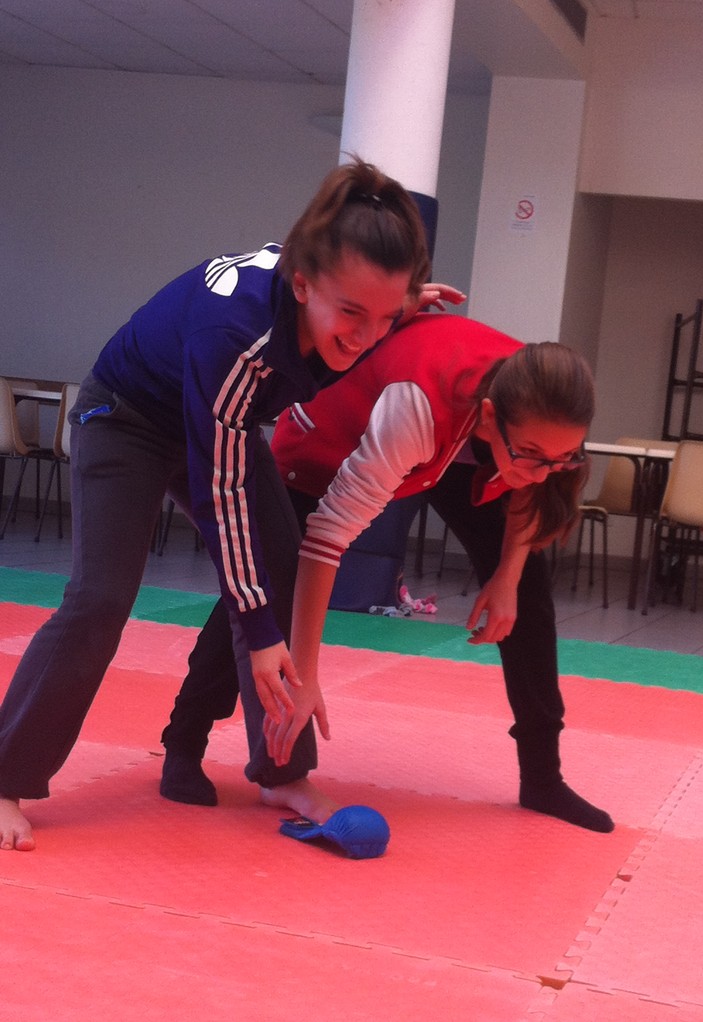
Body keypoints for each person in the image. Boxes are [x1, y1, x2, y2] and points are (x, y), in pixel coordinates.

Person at [0, 157, 460, 852]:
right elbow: (222, 499)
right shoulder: (241, 340)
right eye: (351, 314)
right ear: (302, 284)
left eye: (385, 317)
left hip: (219, 418)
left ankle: (281, 770)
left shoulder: (334, 295)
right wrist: (262, 634)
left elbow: (346, 316)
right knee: (100, 598)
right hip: (126, 418)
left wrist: (388, 308)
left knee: (281, 565)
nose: (365, 337)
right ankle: (6, 774)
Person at [160, 314, 614, 833]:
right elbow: (326, 539)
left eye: (561, 458)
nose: (544, 469)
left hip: (464, 441)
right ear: (492, 417)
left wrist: (508, 580)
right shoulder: (417, 410)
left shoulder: (542, 403)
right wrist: (306, 676)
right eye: (532, 455)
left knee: (528, 593)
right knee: (264, 587)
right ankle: (185, 740)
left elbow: (536, 475)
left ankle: (543, 776)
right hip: (334, 435)